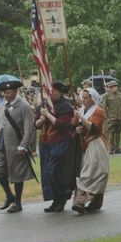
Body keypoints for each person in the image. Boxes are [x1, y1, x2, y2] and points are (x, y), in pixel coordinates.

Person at [0, 80, 35, 213]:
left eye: (8, 92)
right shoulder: (4, 104)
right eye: (4, 92)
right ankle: (10, 196)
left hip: (17, 145)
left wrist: (24, 145)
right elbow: (1, 121)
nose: (5, 95)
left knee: (17, 173)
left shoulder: (24, 106)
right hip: (2, 143)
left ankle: (18, 202)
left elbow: (29, 128)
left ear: (15, 92)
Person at [36, 81, 76, 213]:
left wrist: (48, 115)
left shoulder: (66, 106)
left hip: (59, 142)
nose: (51, 94)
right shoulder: (45, 105)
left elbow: (62, 125)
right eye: (49, 92)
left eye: (53, 92)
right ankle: (56, 199)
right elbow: (36, 124)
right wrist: (42, 118)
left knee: (53, 171)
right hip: (45, 142)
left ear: (60, 92)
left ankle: (63, 196)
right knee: (47, 174)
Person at [72, 88, 109, 214]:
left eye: (86, 98)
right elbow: (74, 126)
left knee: (93, 172)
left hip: (95, 143)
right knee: (86, 171)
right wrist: (77, 129)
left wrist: (81, 118)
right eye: (82, 98)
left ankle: (80, 201)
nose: (83, 100)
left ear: (92, 98)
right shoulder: (81, 110)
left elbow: (95, 128)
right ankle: (95, 202)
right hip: (83, 145)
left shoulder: (99, 111)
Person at [100, 80, 121, 154]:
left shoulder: (120, 94)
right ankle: (111, 148)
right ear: (110, 88)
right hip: (111, 117)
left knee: (118, 133)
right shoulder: (106, 95)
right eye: (114, 87)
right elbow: (104, 108)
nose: (115, 88)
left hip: (120, 117)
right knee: (111, 133)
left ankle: (117, 148)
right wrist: (106, 118)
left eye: (116, 86)